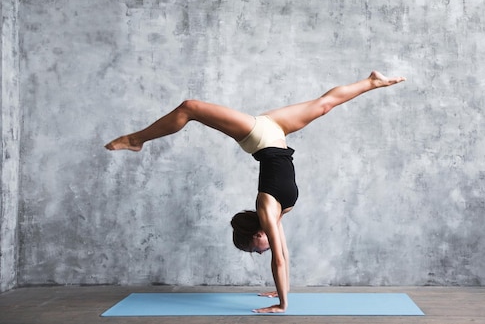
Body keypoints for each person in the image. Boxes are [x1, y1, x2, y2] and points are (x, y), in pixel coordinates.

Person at [104, 70, 405, 313]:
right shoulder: (275, 216)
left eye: (256, 248)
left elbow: (279, 260)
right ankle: (371, 82)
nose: (263, 250)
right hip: (277, 133)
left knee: (189, 107)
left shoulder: (266, 208)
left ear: (255, 235)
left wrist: (282, 304)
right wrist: (281, 288)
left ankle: (136, 139)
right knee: (324, 105)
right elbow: (283, 254)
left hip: (260, 137)